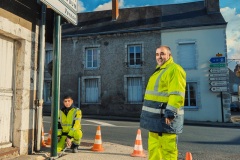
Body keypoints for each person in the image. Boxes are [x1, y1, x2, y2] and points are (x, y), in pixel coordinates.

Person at [140, 45, 186, 160]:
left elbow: (176, 94)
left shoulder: (174, 69)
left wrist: (170, 112)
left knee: (167, 151)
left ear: (169, 55)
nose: (159, 57)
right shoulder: (159, 70)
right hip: (154, 120)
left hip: (165, 119)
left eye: (162, 54)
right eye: (157, 54)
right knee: (154, 149)